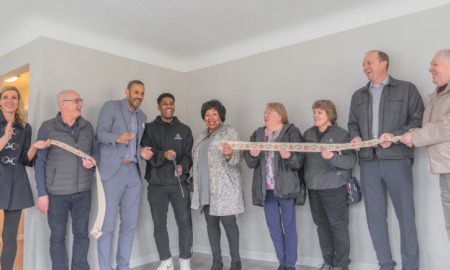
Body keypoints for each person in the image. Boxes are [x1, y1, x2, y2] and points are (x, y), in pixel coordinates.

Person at [348, 50, 424, 270]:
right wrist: (355, 136)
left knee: (406, 217)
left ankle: (411, 267)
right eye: (363, 64)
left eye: (369, 63)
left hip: (397, 159)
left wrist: (395, 136)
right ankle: (385, 265)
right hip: (368, 161)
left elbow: (418, 119)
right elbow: (352, 123)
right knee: (375, 219)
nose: (365, 67)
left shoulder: (407, 89)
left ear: (384, 63)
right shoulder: (358, 95)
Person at [34, 89, 99, 270]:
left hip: (83, 192)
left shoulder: (87, 126)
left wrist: (93, 162)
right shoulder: (47, 127)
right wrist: (42, 194)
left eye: (80, 100)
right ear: (62, 104)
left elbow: (96, 152)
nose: (81, 104)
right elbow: (40, 162)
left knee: (82, 235)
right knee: (57, 237)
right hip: (56, 194)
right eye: (76, 101)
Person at [96, 80, 152, 270]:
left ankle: (123, 266)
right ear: (127, 91)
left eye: (142, 93)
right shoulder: (111, 107)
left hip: (134, 173)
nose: (139, 96)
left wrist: (142, 150)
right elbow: (100, 134)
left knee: (129, 224)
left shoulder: (142, 115)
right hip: (113, 171)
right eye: (136, 92)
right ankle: (105, 267)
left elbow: (136, 145)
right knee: (108, 226)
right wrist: (117, 138)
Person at [244, 102, 304, 270]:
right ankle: (282, 262)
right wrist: (252, 154)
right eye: (265, 112)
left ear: (280, 115)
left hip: (286, 189)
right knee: (274, 229)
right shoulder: (257, 134)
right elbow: (249, 162)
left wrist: (289, 156)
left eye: (269, 112)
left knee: (289, 228)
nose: (265, 115)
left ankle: (290, 264)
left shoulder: (291, 132)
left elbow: (299, 160)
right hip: (266, 190)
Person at [401, 49, 450, 241]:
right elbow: (435, 126)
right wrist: (414, 133)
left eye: (435, 64)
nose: (430, 69)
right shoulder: (438, 97)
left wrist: (417, 137)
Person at [140, 93, 193, 270]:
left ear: (174, 106)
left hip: (178, 184)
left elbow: (188, 155)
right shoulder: (148, 129)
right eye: (164, 104)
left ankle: (185, 261)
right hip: (156, 185)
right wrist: (163, 154)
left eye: (171, 103)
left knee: (185, 223)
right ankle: (166, 261)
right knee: (159, 225)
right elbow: (147, 153)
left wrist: (182, 168)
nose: (168, 106)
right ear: (159, 107)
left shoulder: (184, 130)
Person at [0, 86, 50, 270]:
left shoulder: (25, 128)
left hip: (16, 183)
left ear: (18, 101)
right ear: (0, 101)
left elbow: (24, 160)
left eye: (14, 97)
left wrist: (35, 147)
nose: (9, 100)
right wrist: (5, 138)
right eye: (5, 97)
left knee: (9, 237)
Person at [191, 100, 244, 270]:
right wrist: (192, 176)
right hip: (205, 187)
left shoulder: (229, 132)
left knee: (229, 223)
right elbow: (197, 160)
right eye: (207, 115)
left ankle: (236, 261)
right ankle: (217, 261)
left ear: (220, 115)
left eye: (214, 114)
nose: (210, 118)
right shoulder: (201, 136)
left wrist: (229, 156)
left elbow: (238, 158)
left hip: (224, 187)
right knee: (211, 224)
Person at [303, 100, 356, 270]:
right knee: (321, 227)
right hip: (313, 188)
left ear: (329, 115)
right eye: (314, 112)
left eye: (319, 112)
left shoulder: (342, 135)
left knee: (338, 227)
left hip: (334, 188)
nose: (315, 115)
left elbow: (351, 160)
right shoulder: (308, 134)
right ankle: (328, 262)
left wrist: (333, 157)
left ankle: (342, 265)